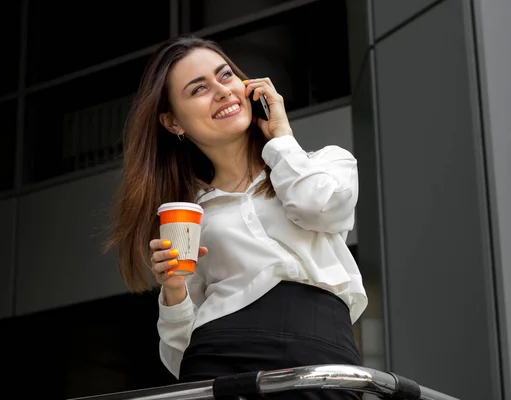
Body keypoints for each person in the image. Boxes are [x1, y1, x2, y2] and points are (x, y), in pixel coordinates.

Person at [106, 35, 368, 400]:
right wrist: (173, 289)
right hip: (217, 357)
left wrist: (281, 137)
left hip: (320, 349)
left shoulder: (323, 164)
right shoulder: (190, 215)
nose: (222, 91)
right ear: (173, 122)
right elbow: (180, 352)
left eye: (225, 75)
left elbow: (320, 210)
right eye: (199, 89)